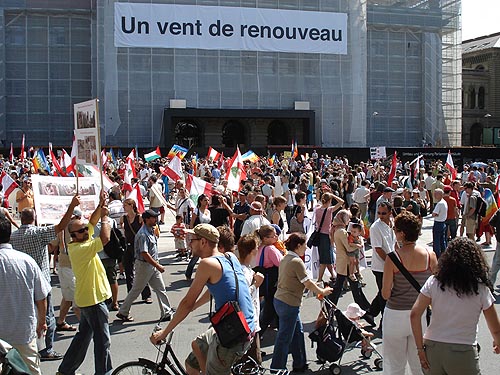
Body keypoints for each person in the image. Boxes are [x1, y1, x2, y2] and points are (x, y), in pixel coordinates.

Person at [151, 224, 255, 375]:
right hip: (240, 323)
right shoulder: (229, 257)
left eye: (192, 239)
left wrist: (164, 332)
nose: (189, 243)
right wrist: (194, 307)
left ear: (203, 242)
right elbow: (217, 288)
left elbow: (187, 303)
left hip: (236, 334)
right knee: (196, 350)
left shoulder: (207, 264)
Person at [410, 237, 500, 374]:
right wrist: (497, 341)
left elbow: (415, 314)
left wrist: (419, 349)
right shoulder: (480, 288)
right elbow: (495, 328)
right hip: (463, 351)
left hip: (433, 348)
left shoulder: (434, 282)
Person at [10, 195, 80, 361]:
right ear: (34, 218)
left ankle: (28, 346)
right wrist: (71, 207)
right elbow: (61, 226)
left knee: (28, 316)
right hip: (40, 282)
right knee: (47, 317)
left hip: (22, 283)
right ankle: (46, 349)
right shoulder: (37, 233)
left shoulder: (13, 237)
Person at [57, 191, 113, 375]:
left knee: (83, 337)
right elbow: (105, 238)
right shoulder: (80, 248)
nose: (85, 231)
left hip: (90, 298)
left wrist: (100, 205)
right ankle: (103, 372)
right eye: (81, 230)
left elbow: (92, 223)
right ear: (73, 235)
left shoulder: (81, 238)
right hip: (93, 299)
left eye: (84, 229)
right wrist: (105, 217)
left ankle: (66, 369)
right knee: (102, 340)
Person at [382, 210, 438, 375]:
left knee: (394, 366)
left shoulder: (392, 258)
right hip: (420, 314)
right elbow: (436, 288)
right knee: (419, 364)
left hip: (395, 314)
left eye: (396, 230)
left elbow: (385, 294)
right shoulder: (430, 255)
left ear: (402, 234)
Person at [270, 233, 333, 372]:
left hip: (281, 300)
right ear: (298, 246)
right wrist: (321, 291)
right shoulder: (296, 261)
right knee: (284, 338)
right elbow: (307, 282)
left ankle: (300, 362)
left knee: (297, 332)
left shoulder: (287, 257)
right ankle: (277, 368)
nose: (306, 248)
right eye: (304, 245)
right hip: (289, 303)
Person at [0, 217, 51, 375]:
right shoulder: (27, 261)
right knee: (30, 371)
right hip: (24, 333)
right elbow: (41, 296)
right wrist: (42, 321)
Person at [117, 209, 174, 322]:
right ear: (146, 219)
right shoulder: (143, 234)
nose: (156, 219)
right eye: (153, 218)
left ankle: (166, 312)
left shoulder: (150, 230)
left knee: (160, 288)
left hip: (151, 265)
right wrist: (157, 266)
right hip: (144, 265)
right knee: (136, 290)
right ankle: (123, 311)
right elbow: (144, 253)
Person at [329, 210, 372, 325]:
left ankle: (329, 308)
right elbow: (348, 248)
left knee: (342, 287)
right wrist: (359, 246)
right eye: (347, 218)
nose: (349, 220)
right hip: (346, 263)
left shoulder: (337, 230)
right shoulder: (342, 232)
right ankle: (367, 312)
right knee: (353, 287)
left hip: (344, 262)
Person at [237, 234, 264, 364]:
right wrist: (256, 285)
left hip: (247, 324)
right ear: (253, 251)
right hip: (248, 324)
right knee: (252, 363)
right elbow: (243, 295)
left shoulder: (244, 269)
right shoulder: (244, 272)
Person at [367, 202, 395, 323]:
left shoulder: (391, 223)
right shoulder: (375, 227)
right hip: (380, 266)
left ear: (390, 213)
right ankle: (385, 321)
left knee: (384, 291)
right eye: (379, 213)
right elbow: (378, 249)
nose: (380, 215)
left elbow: (394, 244)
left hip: (391, 263)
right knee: (385, 294)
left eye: (383, 213)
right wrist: (390, 262)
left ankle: (370, 313)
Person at [120, 198, 152, 303]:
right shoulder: (123, 218)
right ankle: (131, 295)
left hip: (138, 246)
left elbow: (145, 230)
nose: (124, 207)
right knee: (128, 270)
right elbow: (123, 231)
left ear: (131, 206)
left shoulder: (139, 218)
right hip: (128, 246)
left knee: (141, 270)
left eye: (126, 205)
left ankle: (146, 294)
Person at [255, 225, 284, 339]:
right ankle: (255, 338)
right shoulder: (270, 249)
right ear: (265, 238)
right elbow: (281, 263)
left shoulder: (260, 248)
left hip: (266, 282)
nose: (276, 237)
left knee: (272, 307)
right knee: (269, 310)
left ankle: (278, 326)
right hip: (273, 283)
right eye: (273, 236)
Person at [314, 192, 344, 284]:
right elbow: (341, 202)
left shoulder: (317, 209)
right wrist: (333, 195)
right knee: (325, 259)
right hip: (327, 235)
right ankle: (319, 279)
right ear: (330, 201)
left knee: (327, 257)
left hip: (319, 235)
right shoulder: (329, 210)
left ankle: (333, 275)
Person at [185, 194, 211, 280]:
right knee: (196, 256)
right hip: (198, 235)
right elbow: (192, 223)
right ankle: (188, 273)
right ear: (200, 201)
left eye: (207, 200)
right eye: (205, 200)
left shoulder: (208, 211)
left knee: (207, 255)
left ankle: (207, 275)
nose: (207, 202)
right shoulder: (197, 211)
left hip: (207, 235)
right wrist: (192, 235)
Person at [432, 188, 448, 257]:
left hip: (438, 223)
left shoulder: (439, 204)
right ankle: (443, 254)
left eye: (436, 194)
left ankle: (436, 255)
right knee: (442, 240)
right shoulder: (444, 202)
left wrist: (435, 214)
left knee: (436, 241)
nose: (434, 195)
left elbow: (434, 214)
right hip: (443, 222)